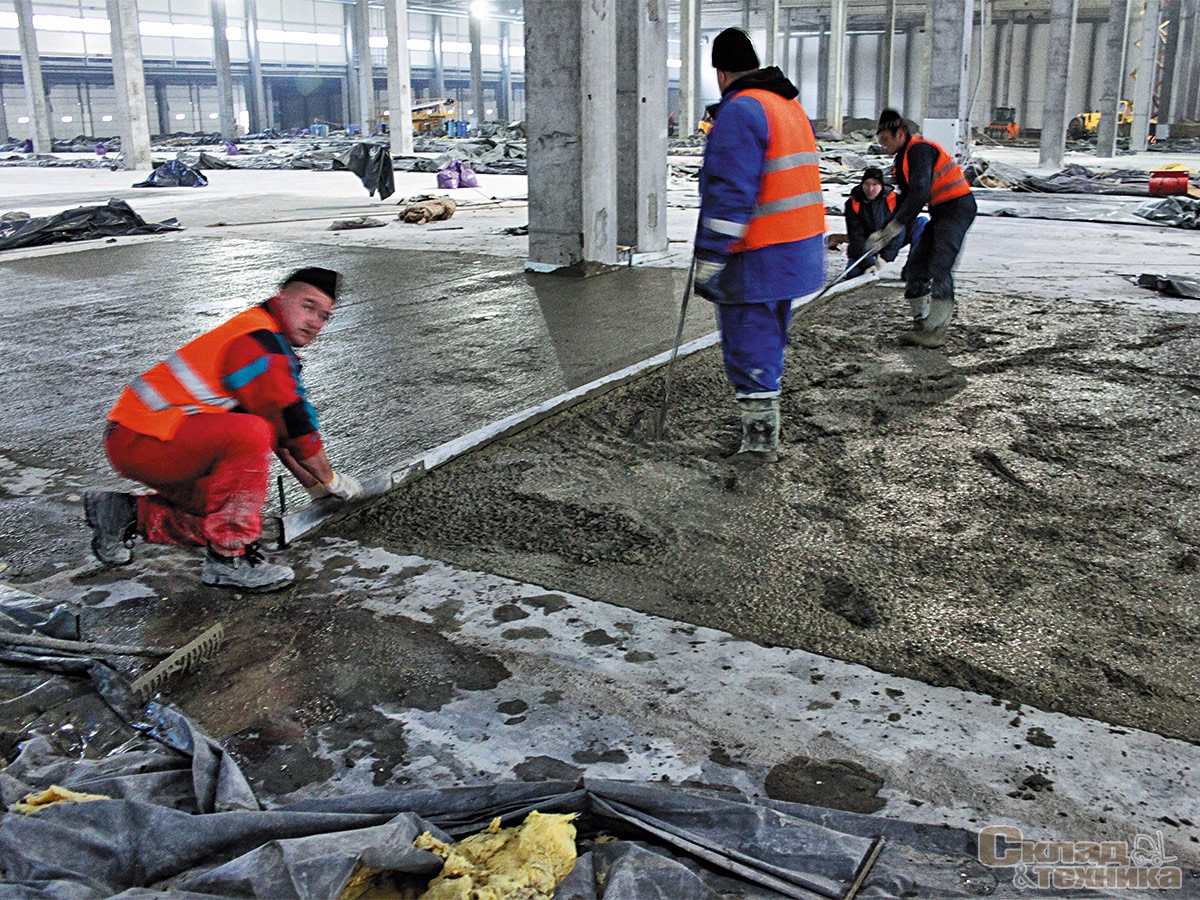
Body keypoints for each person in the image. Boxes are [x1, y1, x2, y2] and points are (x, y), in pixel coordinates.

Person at [84, 267, 365, 592]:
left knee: (229, 514)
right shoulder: (258, 344)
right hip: (144, 437)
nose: (315, 321)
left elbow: (282, 435)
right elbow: (293, 424)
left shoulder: (267, 338)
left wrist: (316, 488)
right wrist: (332, 479)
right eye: (307, 306)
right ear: (281, 297)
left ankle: (126, 514)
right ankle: (230, 560)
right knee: (250, 435)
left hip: (163, 438)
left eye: (325, 316)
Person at [692, 28, 825, 462]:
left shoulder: (741, 110)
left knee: (749, 343)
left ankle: (759, 444)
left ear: (721, 72)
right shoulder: (787, 105)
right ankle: (762, 429)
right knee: (769, 339)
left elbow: (730, 193)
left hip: (758, 254)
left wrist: (711, 255)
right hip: (796, 249)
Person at [867, 109, 976, 348]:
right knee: (916, 265)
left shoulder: (919, 151)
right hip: (940, 211)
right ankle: (922, 322)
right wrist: (886, 232)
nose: (883, 146)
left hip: (956, 209)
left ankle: (936, 332)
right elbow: (906, 200)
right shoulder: (902, 160)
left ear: (900, 133)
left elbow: (920, 193)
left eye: (886, 139)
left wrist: (894, 228)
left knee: (940, 265)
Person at [843, 167, 927, 279]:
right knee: (853, 274)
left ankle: (913, 270)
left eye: (875, 184)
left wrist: (885, 258)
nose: (870, 188)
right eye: (867, 184)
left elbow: (899, 230)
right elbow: (856, 236)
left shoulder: (894, 200)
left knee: (922, 223)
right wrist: (868, 263)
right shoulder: (853, 203)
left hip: (890, 238)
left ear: (881, 185)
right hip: (869, 243)